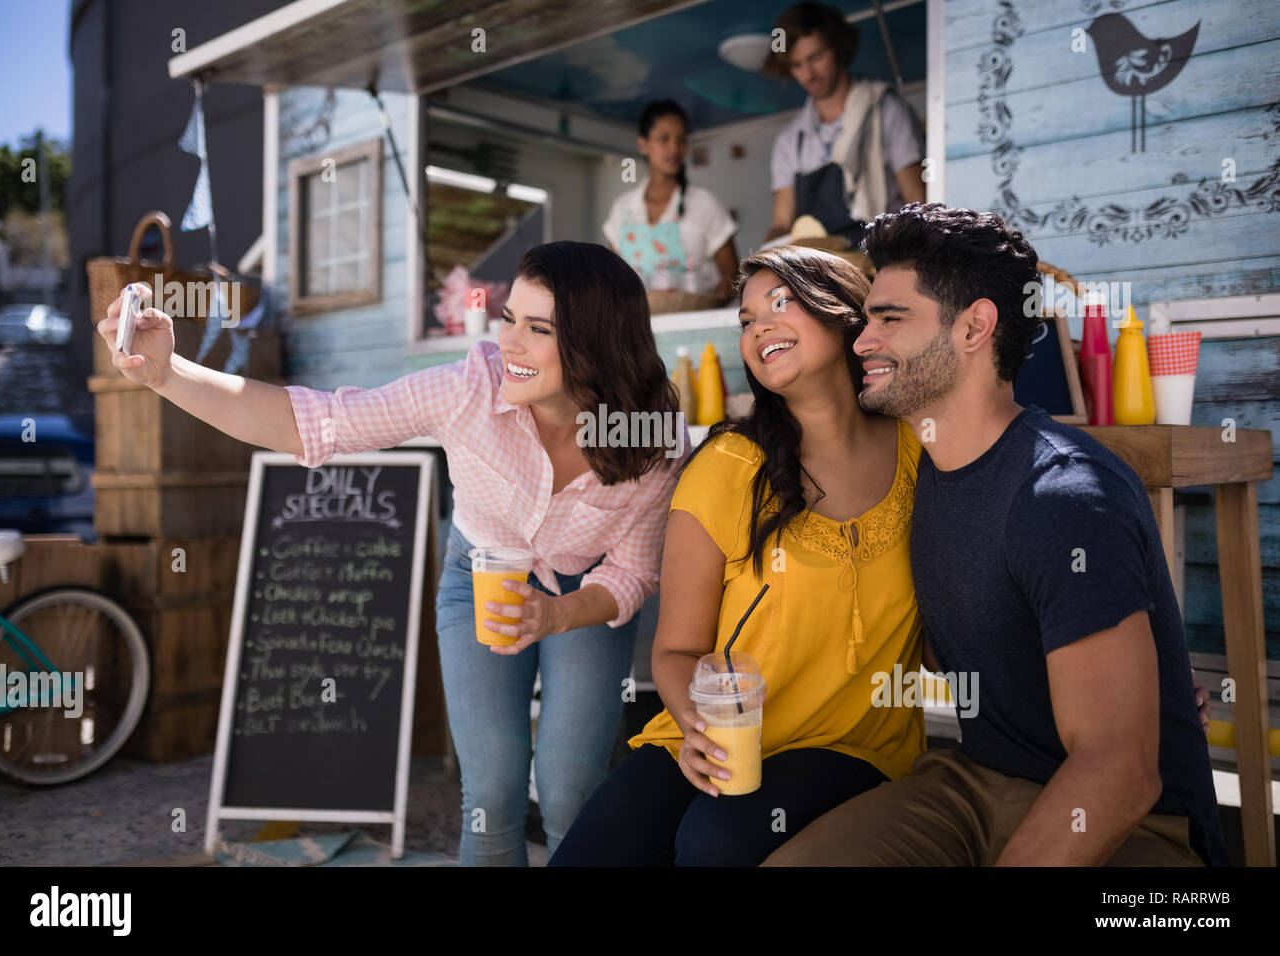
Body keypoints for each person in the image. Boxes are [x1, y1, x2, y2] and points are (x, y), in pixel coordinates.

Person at [95, 241, 688, 866]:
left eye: (537, 329)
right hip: (478, 575)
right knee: (490, 797)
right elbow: (317, 423)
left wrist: (559, 614)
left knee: (572, 794)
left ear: (598, 343)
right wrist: (168, 373)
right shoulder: (467, 390)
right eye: (509, 317)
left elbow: (632, 571)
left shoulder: (651, 441)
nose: (507, 343)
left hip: (583, 595)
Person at [764, 204, 1230, 866]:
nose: (863, 340)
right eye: (868, 319)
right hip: (971, 782)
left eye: (889, 319)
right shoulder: (917, 468)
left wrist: (1137, 686)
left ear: (975, 327)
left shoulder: (1064, 495)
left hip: (1138, 825)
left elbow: (1121, 770)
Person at [549, 245, 926, 866]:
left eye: (780, 303)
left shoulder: (921, 450)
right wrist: (696, 729)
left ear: (844, 313)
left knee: (715, 842)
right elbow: (675, 651)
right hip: (714, 731)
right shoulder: (727, 469)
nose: (759, 328)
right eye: (746, 320)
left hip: (851, 743)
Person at [763, 2, 926, 245]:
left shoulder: (885, 110)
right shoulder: (790, 142)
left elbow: (918, 201)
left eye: (816, 57)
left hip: (885, 258)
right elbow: (781, 223)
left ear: (838, 47)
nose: (809, 74)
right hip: (823, 273)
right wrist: (768, 252)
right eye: (797, 65)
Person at [604, 99, 740, 302]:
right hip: (631, 326)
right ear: (643, 144)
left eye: (681, 140)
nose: (674, 148)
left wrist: (712, 300)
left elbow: (734, 276)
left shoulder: (704, 204)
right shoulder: (622, 208)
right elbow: (609, 276)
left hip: (692, 325)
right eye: (664, 139)